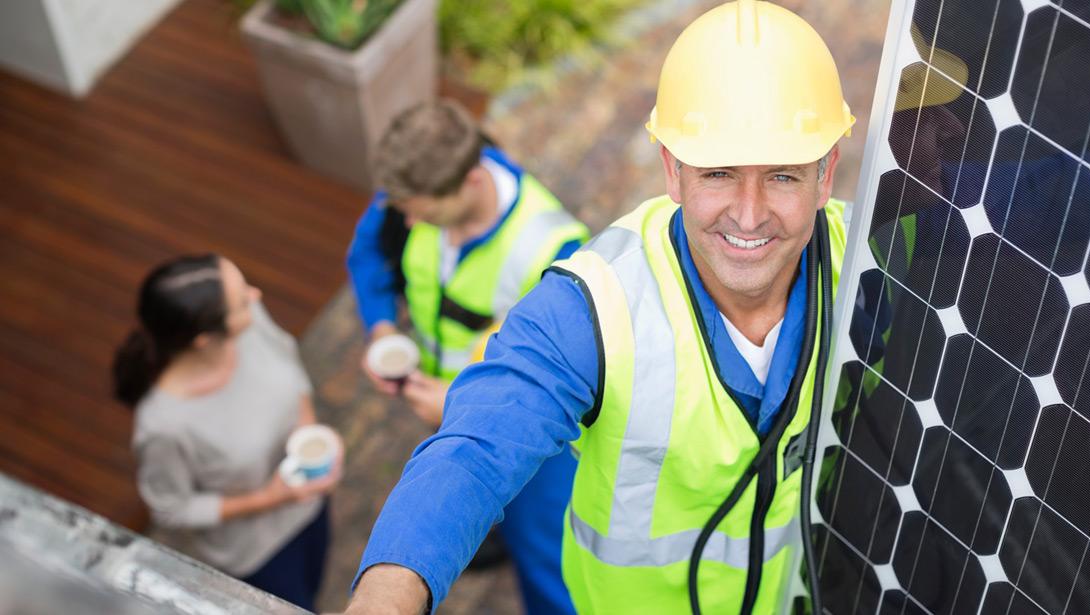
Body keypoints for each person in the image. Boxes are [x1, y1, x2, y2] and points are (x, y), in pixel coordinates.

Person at [344, 1, 855, 613]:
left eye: (784, 177)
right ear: (672, 171)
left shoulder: (869, 268)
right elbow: (475, 448)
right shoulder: (594, 305)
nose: (748, 214)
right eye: (717, 173)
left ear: (827, 177)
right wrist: (385, 597)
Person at [345, 99, 590, 613]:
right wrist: (381, 328)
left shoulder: (554, 249)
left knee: (544, 553)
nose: (407, 220)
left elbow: (560, 381)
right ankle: (487, 532)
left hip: (525, 440)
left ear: (473, 180)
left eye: (421, 212)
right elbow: (367, 253)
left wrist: (458, 407)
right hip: (442, 402)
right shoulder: (420, 183)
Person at [113, 254, 342, 611]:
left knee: (314, 585)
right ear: (205, 339)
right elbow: (172, 509)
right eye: (241, 300)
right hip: (256, 553)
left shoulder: (249, 323)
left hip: (309, 505)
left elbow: (286, 356)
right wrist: (270, 498)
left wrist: (310, 432)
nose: (256, 294)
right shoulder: (163, 425)